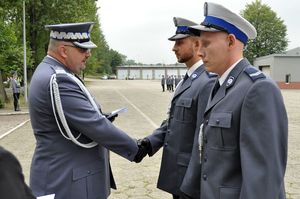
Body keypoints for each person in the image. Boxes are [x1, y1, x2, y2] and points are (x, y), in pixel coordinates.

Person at [28, 22, 146, 199]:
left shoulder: (54, 72)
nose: (88, 54)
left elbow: (75, 116)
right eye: (83, 50)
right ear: (63, 50)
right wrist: (136, 149)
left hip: (66, 179)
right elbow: (95, 125)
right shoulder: (58, 79)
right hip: (67, 183)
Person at [189, 2, 288, 199]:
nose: (199, 53)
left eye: (206, 44)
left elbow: (263, 180)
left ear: (231, 41)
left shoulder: (258, 89)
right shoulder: (220, 85)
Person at [138, 17, 216, 199]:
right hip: (179, 176)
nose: (174, 48)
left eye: (180, 42)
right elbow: (175, 120)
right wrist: (150, 143)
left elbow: (204, 138)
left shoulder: (207, 82)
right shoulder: (186, 81)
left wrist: (194, 183)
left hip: (191, 181)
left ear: (197, 44)